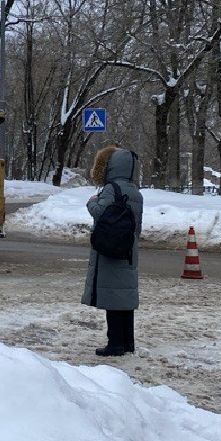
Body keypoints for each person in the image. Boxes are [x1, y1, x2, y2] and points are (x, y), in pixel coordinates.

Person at [83, 144, 143, 357]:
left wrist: (91, 203)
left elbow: (100, 212)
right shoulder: (135, 191)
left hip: (111, 251)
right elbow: (137, 227)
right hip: (128, 250)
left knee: (113, 299)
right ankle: (127, 343)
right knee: (124, 300)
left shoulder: (111, 189)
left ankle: (115, 344)